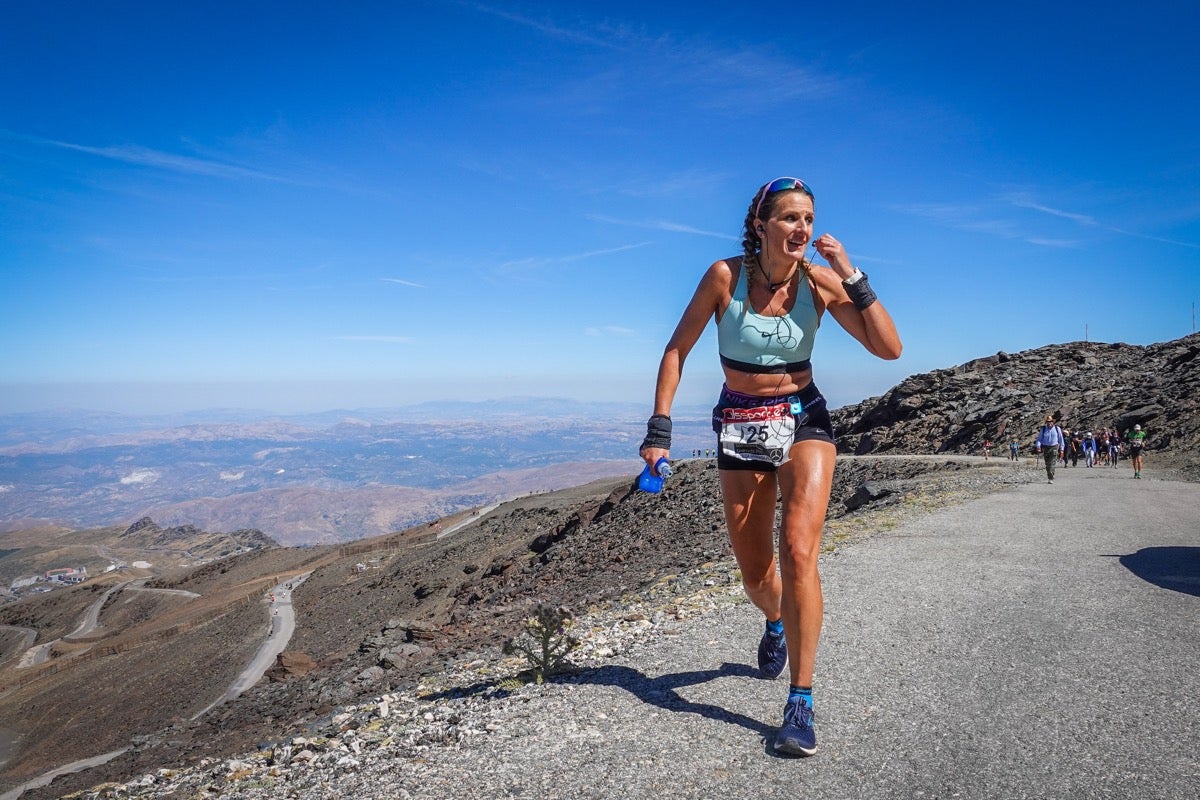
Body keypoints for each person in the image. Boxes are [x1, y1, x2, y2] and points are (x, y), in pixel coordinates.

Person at [639, 176, 901, 757]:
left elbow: (889, 348)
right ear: (760, 226)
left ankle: (800, 699)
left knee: (800, 550)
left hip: (804, 414)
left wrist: (852, 275)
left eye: (808, 218)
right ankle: (775, 620)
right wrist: (659, 429)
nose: (802, 229)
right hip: (740, 421)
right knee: (757, 575)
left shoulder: (821, 281)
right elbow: (676, 350)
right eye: (789, 218)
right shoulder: (723, 277)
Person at [1034, 415, 1065, 483]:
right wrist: (1038, 446)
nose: (1049, 423)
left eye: (1050, 421)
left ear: (1053, 422)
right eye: (1048, 421)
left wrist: (1062, 450)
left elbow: (1061, 440)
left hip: (1054, 447)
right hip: (1046, 447)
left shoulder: (1057, 429)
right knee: (1047, 464)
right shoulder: (1043, 429)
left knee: (1052, 463)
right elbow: (1039, 439)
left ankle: (1051, 478)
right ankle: (1050, 475)